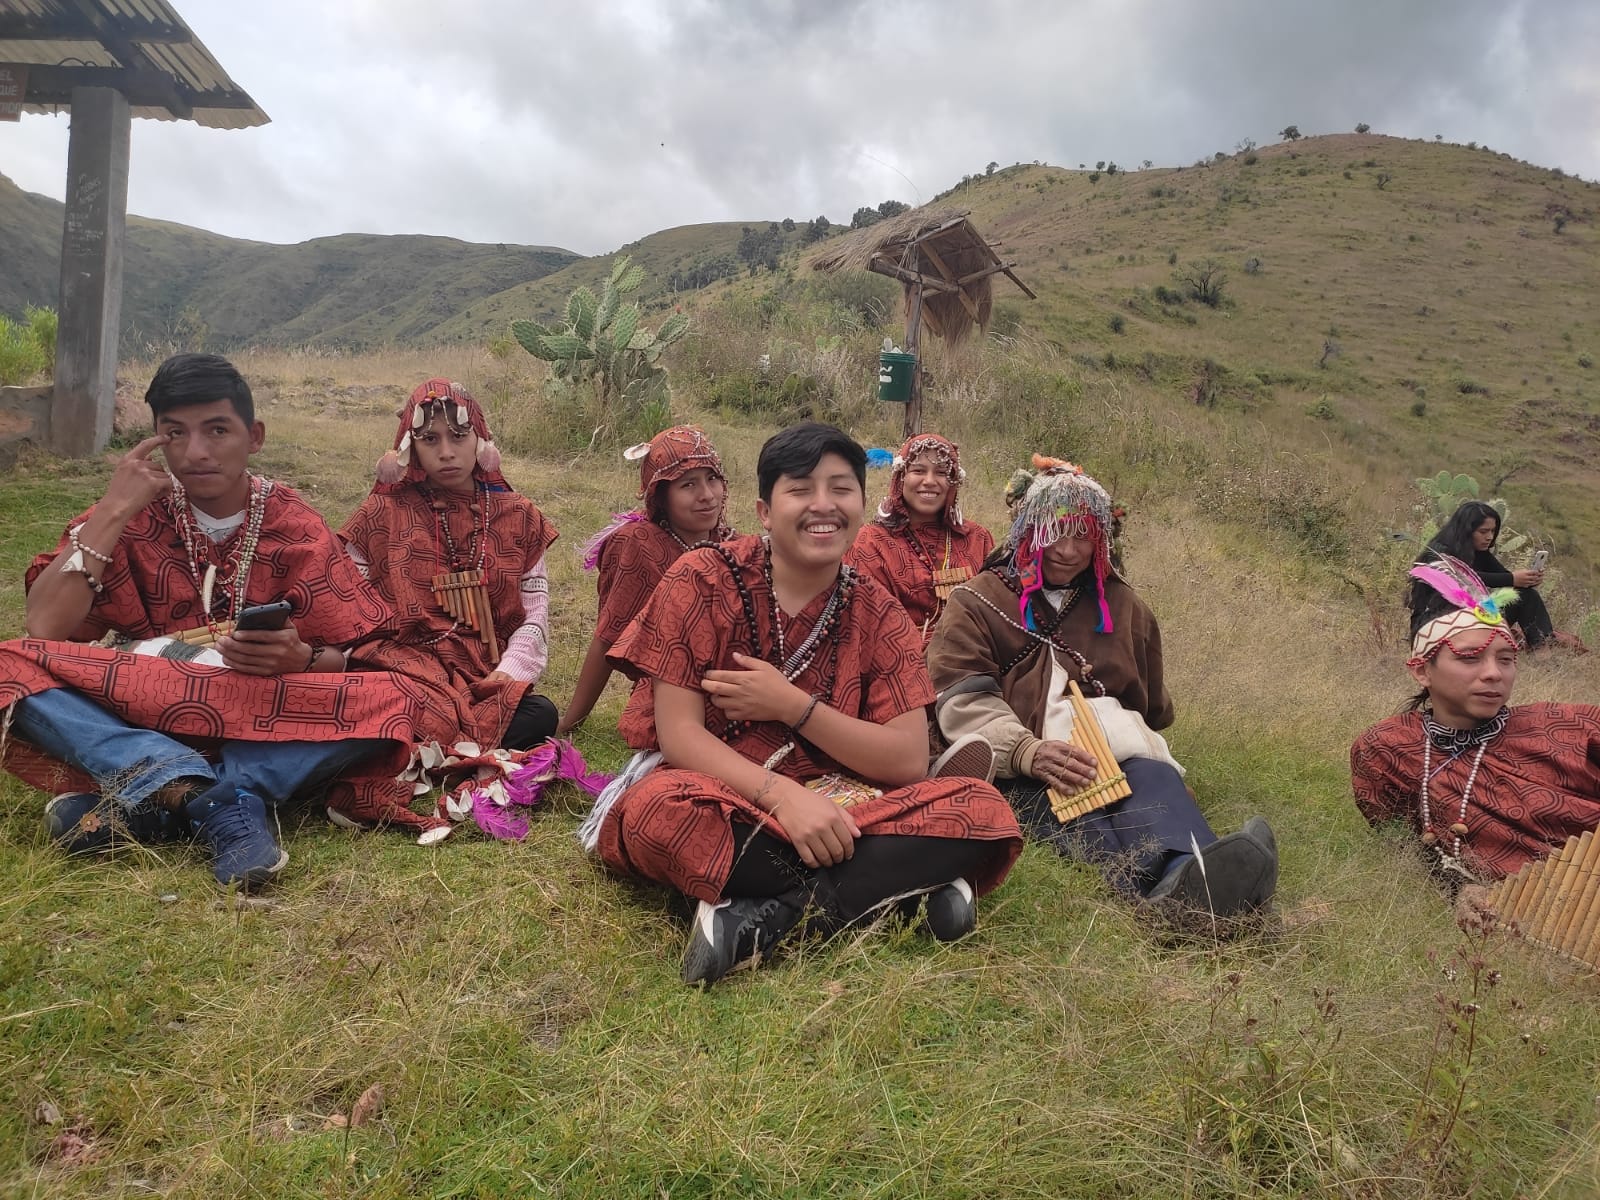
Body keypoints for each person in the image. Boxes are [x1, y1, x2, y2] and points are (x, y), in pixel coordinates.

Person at [580, 422, 1023, 986]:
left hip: (843, 797)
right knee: (659, 814)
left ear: (862, 504)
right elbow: (680, 735)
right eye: (801, 489)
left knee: (983, 808)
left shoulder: (878, 613)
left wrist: (793, 706)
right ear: (766, 510)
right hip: (720, 787)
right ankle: (904, 890)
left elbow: (907, 759)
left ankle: (761, 920)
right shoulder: (700, 580)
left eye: (841, 488)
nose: (823, 505)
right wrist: (783, 799)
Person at [0, 353, 437, 888]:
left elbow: (358, 654)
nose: (196, 452)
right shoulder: (130, 513)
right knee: (7, 666)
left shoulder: (293, 522)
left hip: (262, 710)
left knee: (398, 698)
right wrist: (112, 510)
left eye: (217, 430)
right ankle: (218, 799)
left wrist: (301, 659)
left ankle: (165, 801)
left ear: (253, 436)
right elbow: (45, 628)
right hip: (144, 702)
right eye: (175, 434)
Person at [926, 459, 1279, 919]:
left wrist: (1140, 745)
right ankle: (1177, 897)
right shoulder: (976, 601)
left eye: (1083, 537)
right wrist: (1027, 752)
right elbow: (962, 698)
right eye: (1055, 533)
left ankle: (1192, 870)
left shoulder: (1123, 604)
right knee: (1082, 811)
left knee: (1152, 780)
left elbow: (1150, 705)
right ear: (1026, 530)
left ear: (1102, 542)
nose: (1068, 551)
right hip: (1025, 761)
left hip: (1116, 753)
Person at [1353, 554, 1600, 929]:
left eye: (1506, 659)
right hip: (1528, 929)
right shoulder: (1388, 749)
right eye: (1469, 659)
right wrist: (1461, 890)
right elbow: (1408, 846)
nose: (1492, 674)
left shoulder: (1571, 726)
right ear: (1422, 670)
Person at [339, 378, 558, 752]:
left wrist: (508, 673)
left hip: (482, 673)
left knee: (540, 715)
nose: (446, 452)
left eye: (458, 436)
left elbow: (534, 613)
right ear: (409, 449)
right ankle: (448, 740)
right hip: (400, 667)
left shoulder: (519, 516)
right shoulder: (381, 513)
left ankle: (416, 744)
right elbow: (345, 604)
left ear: (481, 442)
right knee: (377, 695)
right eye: (430, 440)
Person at [557, 426, 733, 734]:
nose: (707, 496)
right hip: (672, 693)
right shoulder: (638, 544)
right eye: (688, 484)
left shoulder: (733, 545)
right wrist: (570, 723)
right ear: (660, 496)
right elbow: (608, 635)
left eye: (712, 479)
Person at [846, 432, 994, 645]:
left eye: (942, 472)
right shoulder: (869, 543)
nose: (930, 481)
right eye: (918, 470)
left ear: (953, 482)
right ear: (901, 476)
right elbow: (869, 625)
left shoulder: (977, 538)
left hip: (978, 660)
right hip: (900, 663)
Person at [1411, 500, 1553, 649]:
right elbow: (1456, 579)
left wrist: (1527, 580)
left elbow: (1504, 579)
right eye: (1483, 532)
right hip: (1438, 619)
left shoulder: (1480, 551)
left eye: (1493, 531)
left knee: (1525, 595)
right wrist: (1512, 578)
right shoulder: (1439, 551)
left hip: (1475, 613)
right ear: (1466, 531)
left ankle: (1542, 647)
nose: (1489, 537)